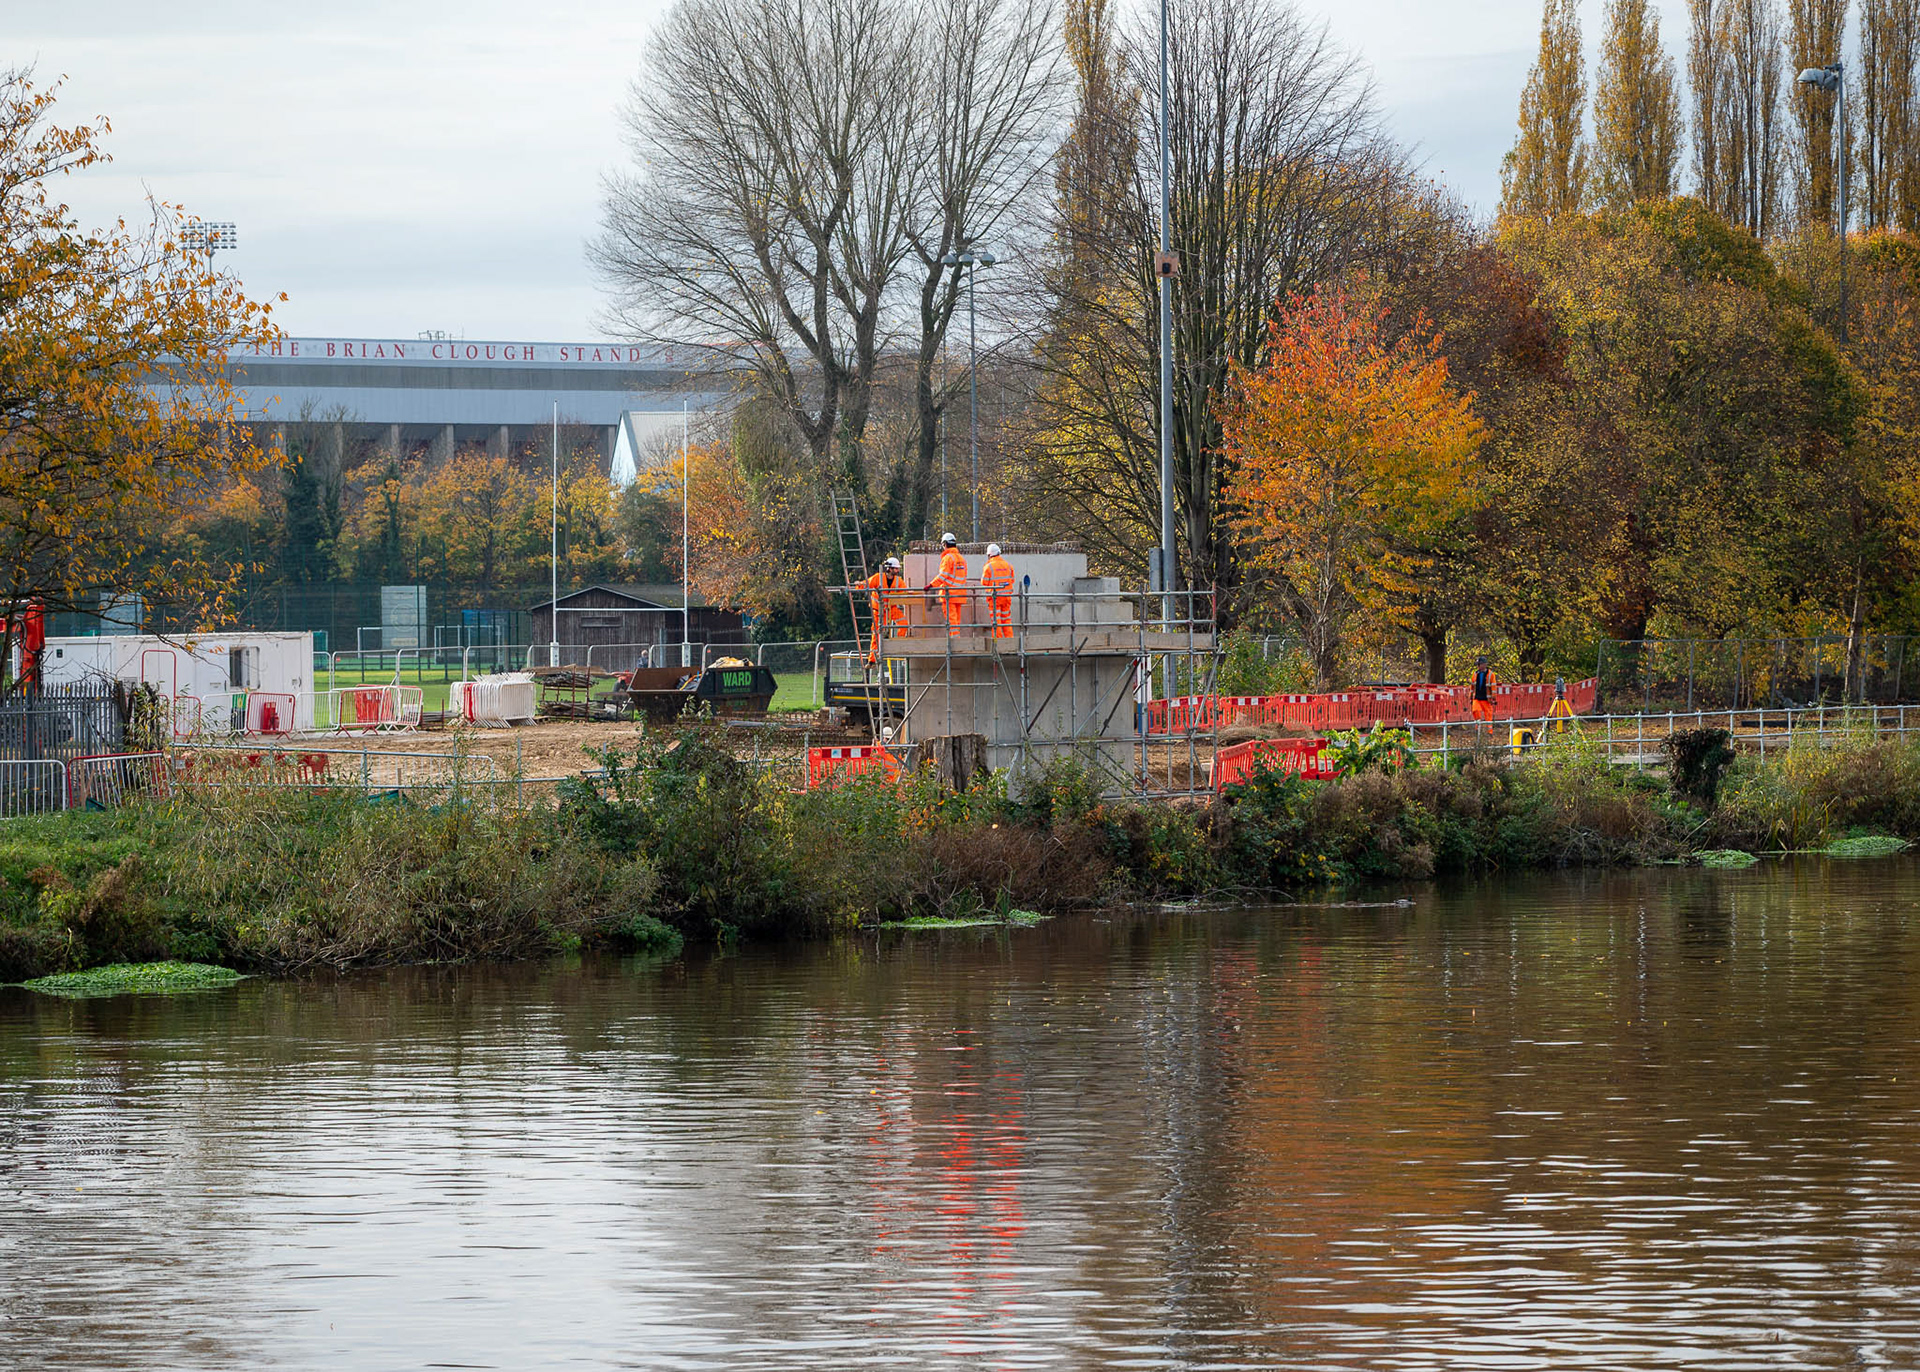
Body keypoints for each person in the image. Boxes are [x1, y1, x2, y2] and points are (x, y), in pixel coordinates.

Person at [859, 556, 908, 662]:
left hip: (891, 609)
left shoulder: (898, 580)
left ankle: (898, 646)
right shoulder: (878, 578)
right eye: (895, 568)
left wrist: (910, 594)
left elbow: (904, 591)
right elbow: (866, 584)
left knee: (904, 624)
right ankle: (872, 659)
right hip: (878, 611)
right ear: (889, 568)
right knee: (876, 634)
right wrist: (858, 585)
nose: (897, 570)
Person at [926, 532, 970, 636]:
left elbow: (942, 576)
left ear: (945, 544)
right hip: (960, 594)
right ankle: (956, 639)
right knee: (956, 620)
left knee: (951, 620)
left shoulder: (947, 558)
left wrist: (931, 585)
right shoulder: (961, 559)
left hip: (949, 595)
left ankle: (953, 642)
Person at [980, 543, 1015, 639]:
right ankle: (1010, 642)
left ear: (989, 555)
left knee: (996, 621)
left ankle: (998, 644)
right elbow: (1012, 580)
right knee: (1006, 621)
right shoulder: (1008, 565)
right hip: (1006, 598)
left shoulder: (988, 567)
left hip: (995, 599)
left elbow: (984, 582)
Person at [1470, 655, 1498, 723]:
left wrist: (1493, 697)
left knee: (1488, 715)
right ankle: (1478, 727)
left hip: (1486, 699)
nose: (1478, 666)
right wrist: (1471, 697)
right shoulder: (1475, 674)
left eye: (1479, 664)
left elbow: (1493, 687)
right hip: (1476, 697)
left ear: (1484, 664)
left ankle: (1489, 731)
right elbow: (1472, 687)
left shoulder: (1491, 674)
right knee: (1475, 710)